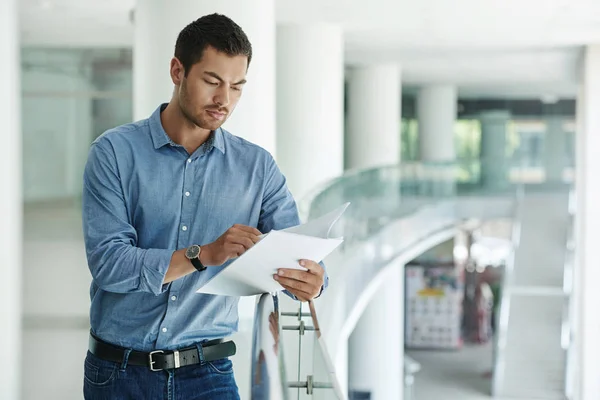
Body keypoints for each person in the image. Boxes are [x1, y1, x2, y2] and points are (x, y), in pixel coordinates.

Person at [81, 13, 328, 400]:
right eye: (212, 81)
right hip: (118, 374)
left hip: (208, 375)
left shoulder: (257, 168)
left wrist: (312, 281)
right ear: (177, 71)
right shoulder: (114, 153)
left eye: (236, 86)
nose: (223, 100)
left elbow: (296, 255)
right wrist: (204, 255)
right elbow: (110, 264)